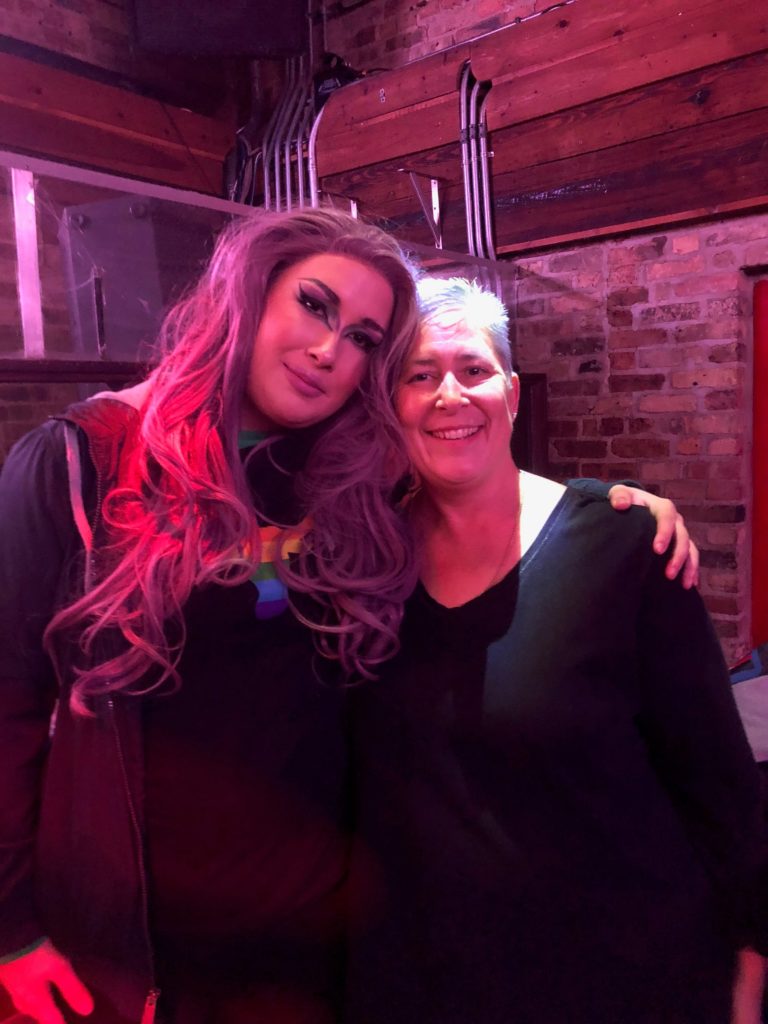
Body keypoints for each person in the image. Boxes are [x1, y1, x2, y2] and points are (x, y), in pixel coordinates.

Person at [0, 209, 694, 1024]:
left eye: (366, 338)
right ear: (248, 295)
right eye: (315, 305)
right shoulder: (83, 459)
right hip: (141, 953)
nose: (332, 350)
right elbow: (7, 702)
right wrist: (11, 926)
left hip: (326, 946)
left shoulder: (352, 479)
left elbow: (484, 496)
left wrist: (612, 506)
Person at [344, 276, 768, 1024]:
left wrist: (751, 968)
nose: (449, 394)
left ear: (511, 393)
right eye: (419, 376)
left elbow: (719, 783)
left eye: (472, 370)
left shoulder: (624, 543)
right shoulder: (365, 563)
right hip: (437, 984)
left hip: (629, 981)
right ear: (391, 407)